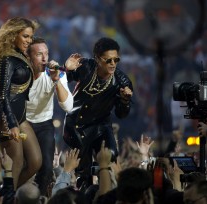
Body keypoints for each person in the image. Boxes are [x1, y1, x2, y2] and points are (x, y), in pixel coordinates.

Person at [0, 17, 42, 190]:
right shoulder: (7, 59)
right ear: (13, 35)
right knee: (16, 164)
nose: (29, 41)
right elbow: (3, 96)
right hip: (6, 115)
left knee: (35, 162)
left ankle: (0, 193)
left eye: (31, 37)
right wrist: (11, 123)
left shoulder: (21, 56)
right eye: (25, 36)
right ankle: (6, 197)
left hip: (18, 116)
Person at [62, 37, 133, 189]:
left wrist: (125, 101)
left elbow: (121, 114)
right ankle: (85, 193)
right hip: (77, 124)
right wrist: (66, 68)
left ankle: (105, 192)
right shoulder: (86, 66)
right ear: (97, 59)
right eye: (108, 60)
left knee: (111, 155)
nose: (113, 64)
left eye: (116, 59)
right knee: (84, 170)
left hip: (101, 124)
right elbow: (62, 80)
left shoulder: (122, 82)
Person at [26, 37, 74, 196]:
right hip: (22, 123)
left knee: (46, 168)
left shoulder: (56, 74)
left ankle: (40, 199)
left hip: (44, 124)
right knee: (26, 165)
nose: (45, 58)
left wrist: (56, 81)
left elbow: (68, 106)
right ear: (28, 57)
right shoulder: (19, 74)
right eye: (39, 54)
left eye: (46, 53)